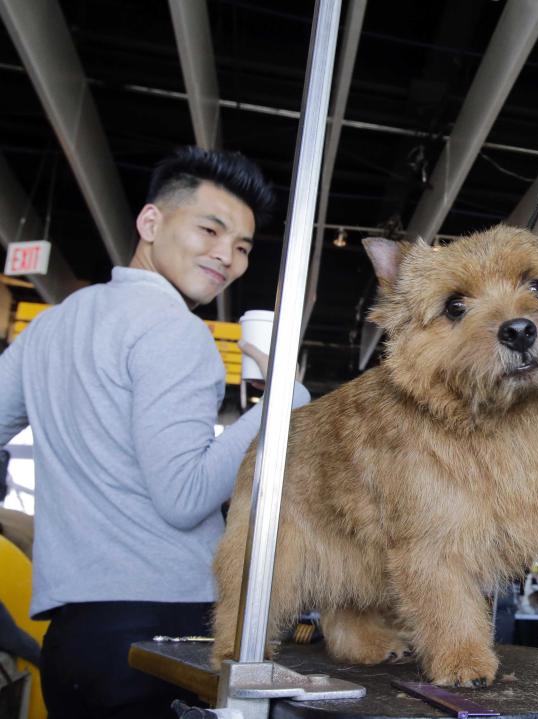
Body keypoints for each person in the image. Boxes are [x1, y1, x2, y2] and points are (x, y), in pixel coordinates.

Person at [0, 146, 310, 719]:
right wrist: (284, 402)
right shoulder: (177, 331)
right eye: (210, 230)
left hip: (72, 639)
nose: (227, 257)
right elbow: (184, 497)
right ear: (151, 222)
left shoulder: (50, 327)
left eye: (242, 247)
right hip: (162, 629)